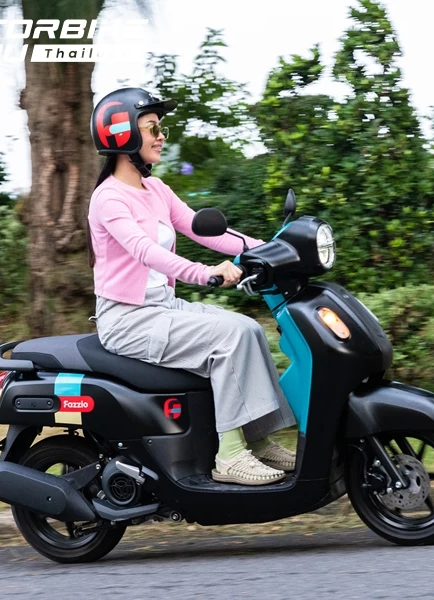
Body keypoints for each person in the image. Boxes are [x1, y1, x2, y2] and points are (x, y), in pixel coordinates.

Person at [87, 87, 296, 486]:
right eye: (152, 128)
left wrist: (273, 249)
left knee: (249, 329)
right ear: (122, 135)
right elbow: (145, 251)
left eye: (160, 128)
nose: (160, 136)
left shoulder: (156, 189)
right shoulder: (108, 198)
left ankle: (258, 441)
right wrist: (204, 273)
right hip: (128, 319)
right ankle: (230, 456)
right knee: (230, 337)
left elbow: (203, 230)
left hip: (161, 307)